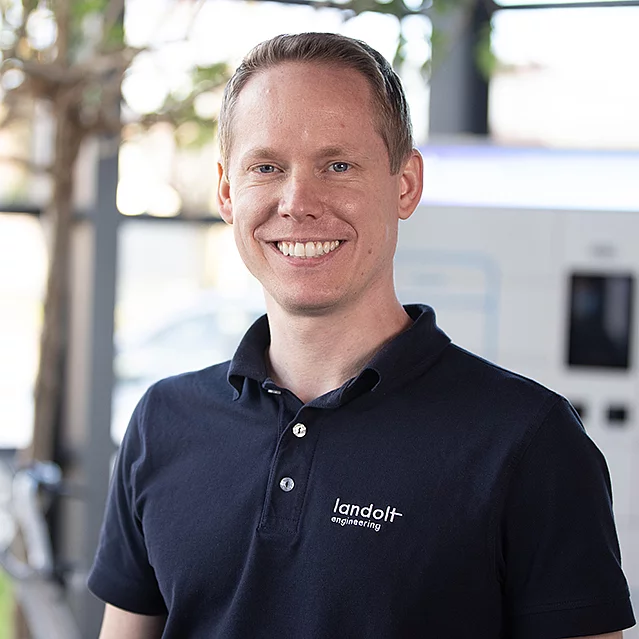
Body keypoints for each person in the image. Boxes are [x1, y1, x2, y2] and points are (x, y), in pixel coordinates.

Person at [89, 32, 636, 638]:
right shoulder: (163, 422)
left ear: (406, 185)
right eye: (267, 167)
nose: (298, 202)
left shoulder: (528, 442)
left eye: (338, 165)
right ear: (226, 191)